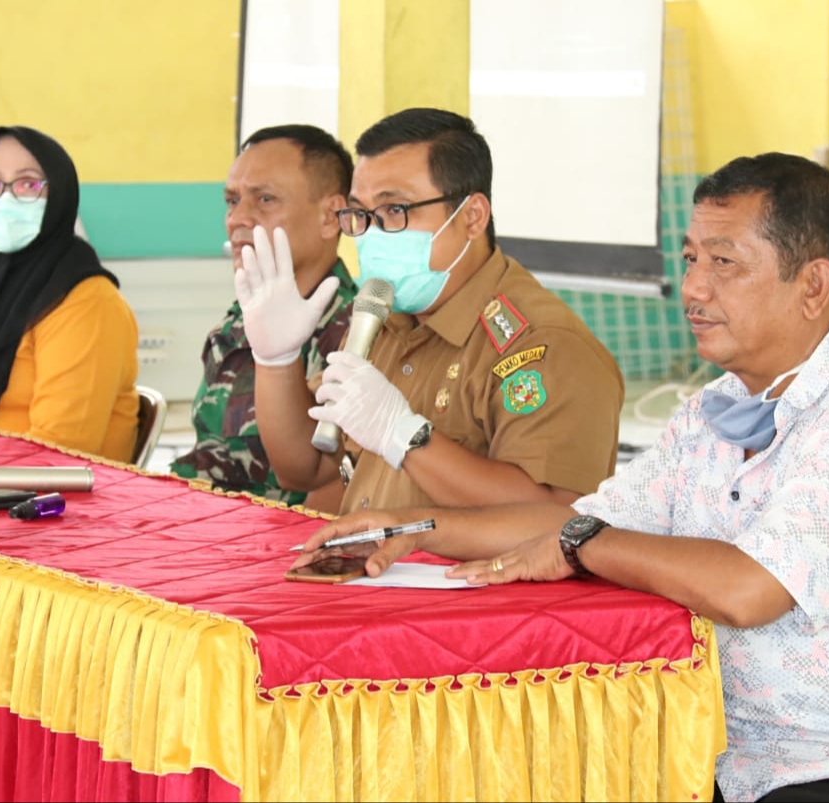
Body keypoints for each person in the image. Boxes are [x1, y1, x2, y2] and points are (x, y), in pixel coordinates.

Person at [295, 152, 829, 802]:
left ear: (813, 286)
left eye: (724, 262)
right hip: (717, 746)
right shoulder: (712, 412)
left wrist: (581, 546)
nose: (695, 288)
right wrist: (416, 528)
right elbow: (577, 521)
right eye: (690, 259)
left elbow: (747, 589)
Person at [242, 108, 624, 515]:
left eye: (395, 210)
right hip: (367, 553)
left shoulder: (545, 345)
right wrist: (276, 361)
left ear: (472, 217)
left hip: (449, 561)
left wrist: (404, 436)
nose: (372, 235)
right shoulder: (382, 319)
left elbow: (554, 517)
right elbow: (306, 468)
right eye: (361, 215)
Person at [0, 126, 139, 462]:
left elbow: (59, 453)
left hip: (38, 491)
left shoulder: (86, 301)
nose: (6, 198)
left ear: (59, 195)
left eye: (28, 184)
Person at [169, 125, 359, 507]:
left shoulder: (358, 335)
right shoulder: (238, 320)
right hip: (196, 514)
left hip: (276, 531)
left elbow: (336, 490)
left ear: (330, 217)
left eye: (265, 199)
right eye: (232, 201)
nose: (238, 218)